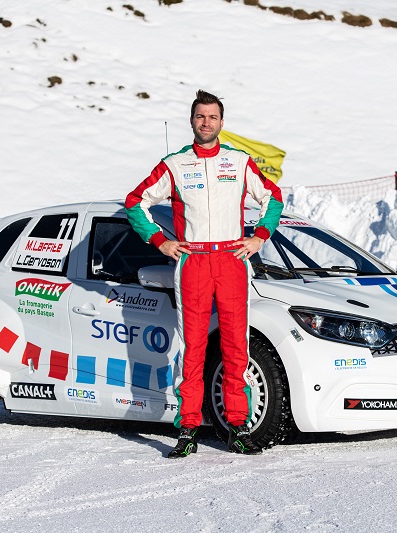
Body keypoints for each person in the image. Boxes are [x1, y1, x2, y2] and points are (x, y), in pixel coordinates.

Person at [125, 89, 283, 457]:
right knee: (192, 349)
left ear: (222, 123)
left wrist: (259, 236)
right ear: (192, 121)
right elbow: (135, 202)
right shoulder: (174, 164)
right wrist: (159, 240)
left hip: (231, 259)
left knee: (235, 347)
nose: (206, 123)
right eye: (200, 117)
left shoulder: (239, 161)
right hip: (193, 262)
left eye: (212, 117)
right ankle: (188, 430)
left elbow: (272, 197)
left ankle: (238, 427)